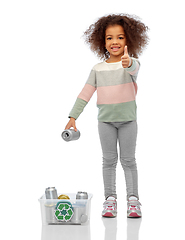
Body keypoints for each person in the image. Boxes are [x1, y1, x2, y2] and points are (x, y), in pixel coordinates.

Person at [65, 14, 149, 218]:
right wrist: (73, 117)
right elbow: (85, 94)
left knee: (129, 161)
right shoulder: (97, 69)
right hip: (105, 123)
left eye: (120, 37)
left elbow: (134, 67)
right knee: (108, 161)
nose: (115, 42)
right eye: (110, 38)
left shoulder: (131, 65)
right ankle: (110, 200)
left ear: (128, 40)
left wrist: (128, 62)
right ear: (102, 41)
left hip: (129, 121)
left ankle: (133, 200)